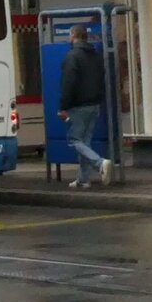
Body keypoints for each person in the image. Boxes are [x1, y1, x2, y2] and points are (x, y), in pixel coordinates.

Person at [58, 24, 113, 189]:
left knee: (74, 139)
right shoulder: (96, 56)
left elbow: (68, 83)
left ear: (73, 35)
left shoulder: (72, 56)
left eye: (70, 35)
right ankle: (83, 179)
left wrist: (63, 107)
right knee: (85, 142)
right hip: (94, 105)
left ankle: (100, 163)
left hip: (79, 105)